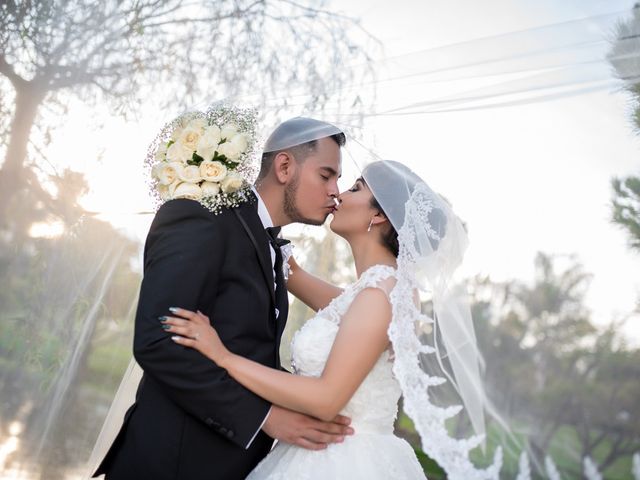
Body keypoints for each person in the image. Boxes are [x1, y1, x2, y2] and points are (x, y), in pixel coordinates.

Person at [162, 160, 485, 479]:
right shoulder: (376, 291)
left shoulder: (379, 297)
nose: (338, 195)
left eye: (354, 188)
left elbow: (326, 399)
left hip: (343, 461)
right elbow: (292, 273)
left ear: (378, 214)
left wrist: (223, 357)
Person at [93, 116, 355, 480]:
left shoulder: (274, 248)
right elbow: (158, 342)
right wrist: (265, 417)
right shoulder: (201, 217)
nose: (335, 192)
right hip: (170, 464)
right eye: (326, 175)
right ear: (284, 166)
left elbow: (249, 351)